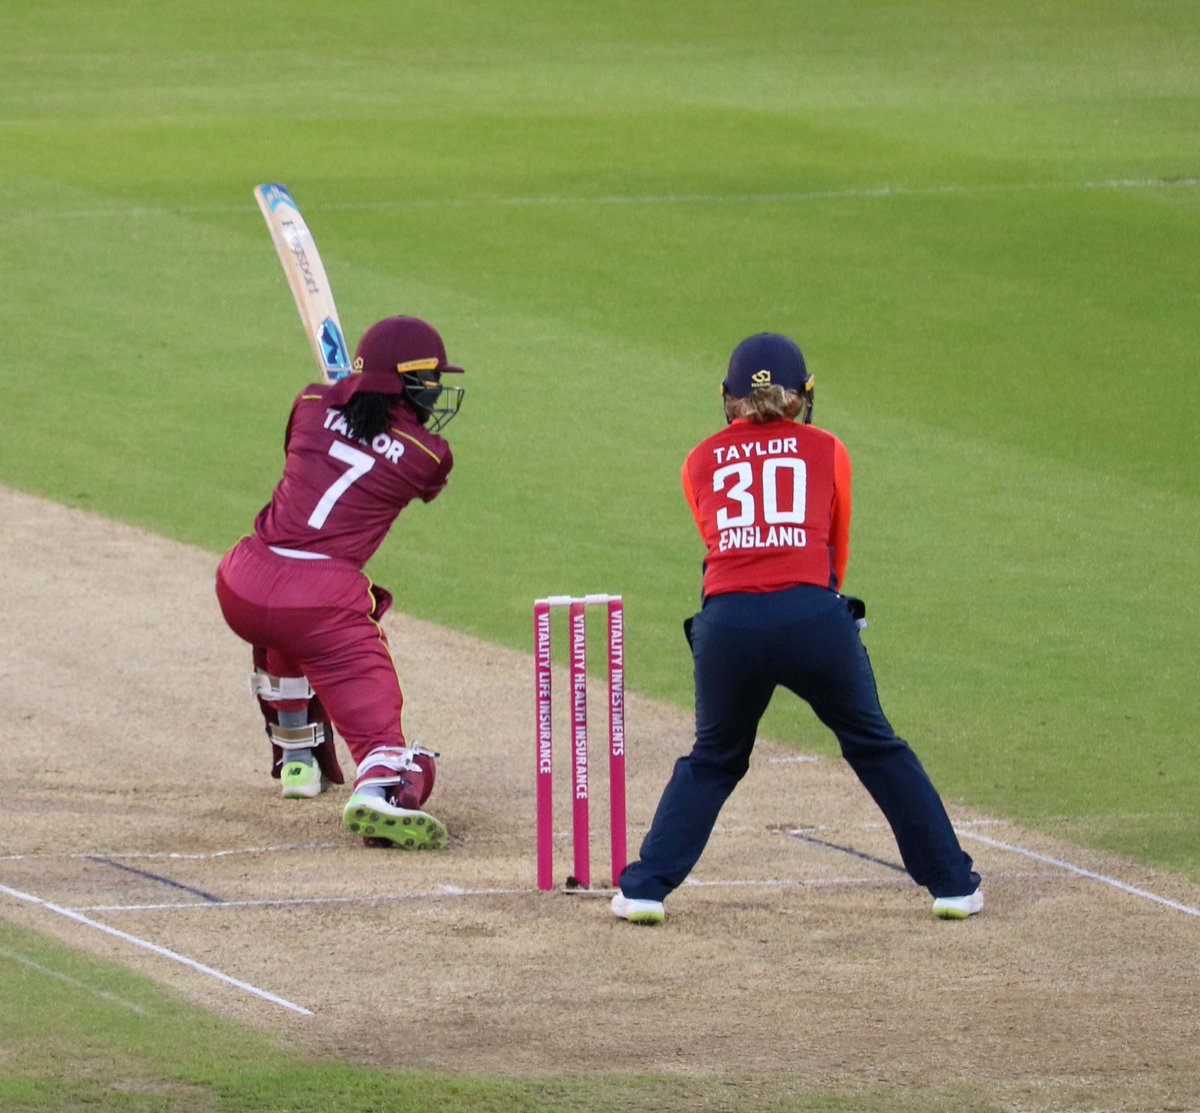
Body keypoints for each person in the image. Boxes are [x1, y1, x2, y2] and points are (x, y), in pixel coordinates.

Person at [612, 332, 982, 923]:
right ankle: (952, 885)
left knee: (714, 757)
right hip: (812, 615)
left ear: (727, 398)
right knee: (875, 746)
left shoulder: (698, 459)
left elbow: (717, 544)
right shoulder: (827, 447)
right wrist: (821, 613)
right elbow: (837, 547)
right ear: (802, 394)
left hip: (728, 623)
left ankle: (645, 889)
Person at [215, 315, 465, 851]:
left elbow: (317, 439)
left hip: (243, 580)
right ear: (405, 381)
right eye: (432, 380)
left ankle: (298, 760)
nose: (438, 391)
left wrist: (345, 401)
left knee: (287, 630)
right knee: (392, 747)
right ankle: (380, 789)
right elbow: (418, 473)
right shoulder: (428, 456)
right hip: (320, 601)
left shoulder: (309, 404)